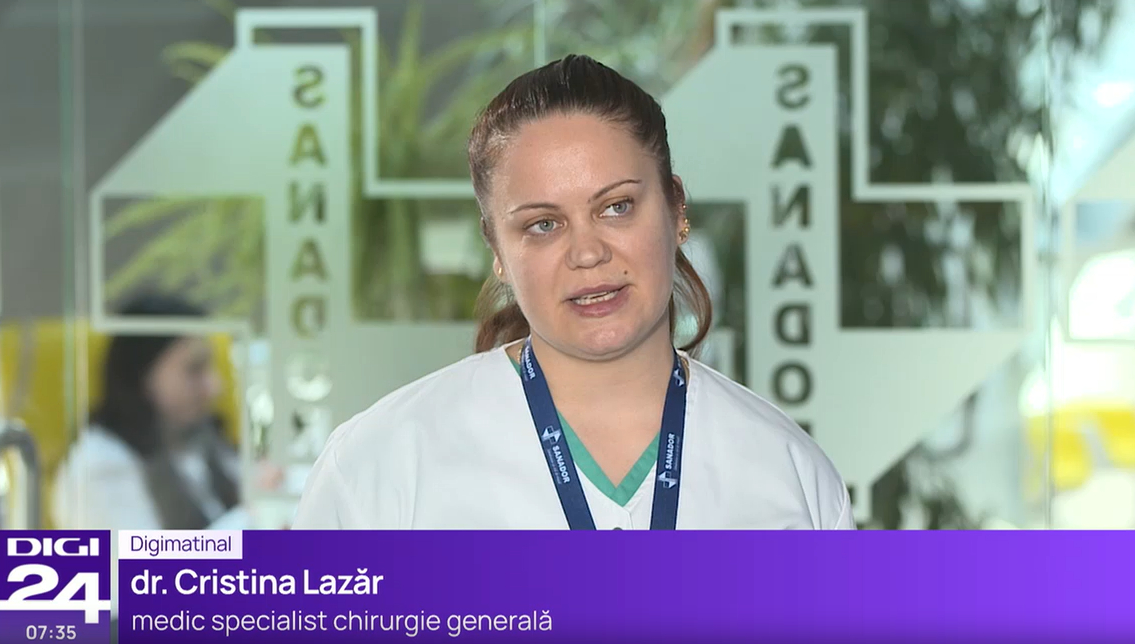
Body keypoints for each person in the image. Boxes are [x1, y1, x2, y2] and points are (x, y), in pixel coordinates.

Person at [293, 55, 853, 530]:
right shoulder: (379, 466)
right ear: (496, 249)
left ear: (676, 208)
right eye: (543, 224)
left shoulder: (789, 474)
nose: (587, 253)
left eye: (617, 207)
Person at [52, 293, 264, 530]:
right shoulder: (99, 466)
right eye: (194, 369)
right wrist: (256, 514)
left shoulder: (198, 443)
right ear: (141, 375)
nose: (214, 386)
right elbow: (141, 553)